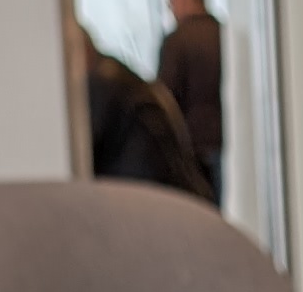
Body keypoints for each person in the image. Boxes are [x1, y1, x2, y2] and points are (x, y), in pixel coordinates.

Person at [80, 25, 208, 200]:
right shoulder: (120, 77)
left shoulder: (102, 85)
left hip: (145, 190)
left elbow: (85, 148)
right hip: (170, 188)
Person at [157, 0, 224, 196]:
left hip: (193, 148)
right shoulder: (223, 35)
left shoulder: (176, 41)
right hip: (228, 143)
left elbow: (166, 97)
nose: (170, 7)